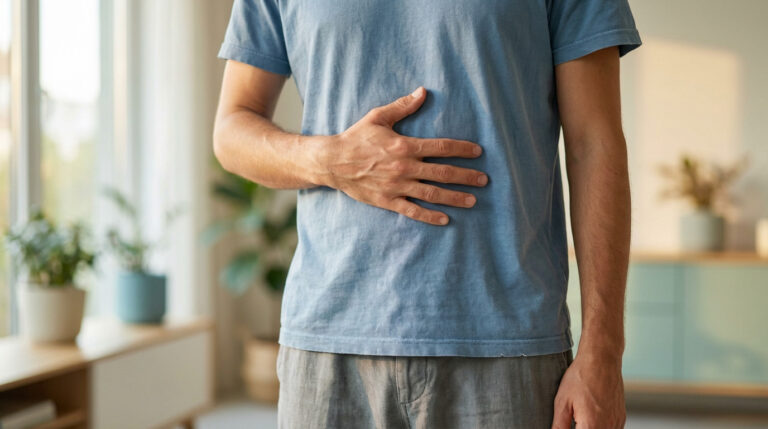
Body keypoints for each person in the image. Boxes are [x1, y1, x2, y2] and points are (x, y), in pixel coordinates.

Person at [213, 0, 641, 427]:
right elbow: (232, 131)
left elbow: (595, 145)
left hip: (507, 348)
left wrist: (603, 353)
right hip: (328, 346)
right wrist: (333, 161)